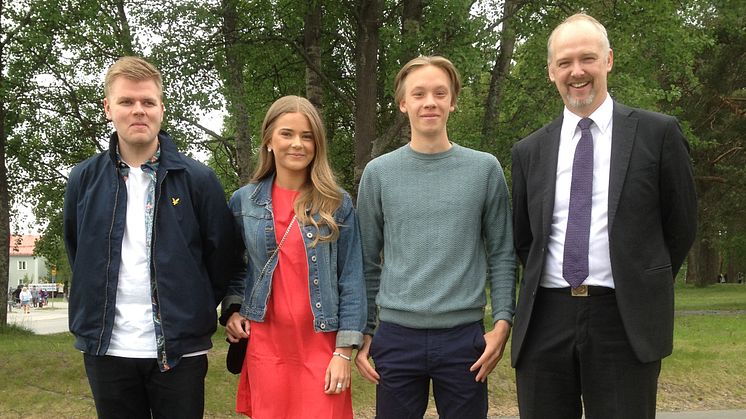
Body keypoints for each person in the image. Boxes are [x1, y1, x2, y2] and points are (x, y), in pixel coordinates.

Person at [510, 13, 697, 419]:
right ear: (551, 72)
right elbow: (525, 238)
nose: (577, 71)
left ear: (608, 60)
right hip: (545, 319)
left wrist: (640, 276)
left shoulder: (657, 133)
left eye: (587, 58)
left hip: (624, 320)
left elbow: (681, 225)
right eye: (565, 62)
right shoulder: (529, 151)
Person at [63, 56, 244, 419]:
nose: (138, 111)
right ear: (108, 109)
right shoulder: (83, 180)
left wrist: (194, 308)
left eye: (147, 102)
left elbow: (222, 258)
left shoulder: (198, 180)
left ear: (161, 108)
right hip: (107, 349)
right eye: (126, 102)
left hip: (180, 351)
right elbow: (76, 250)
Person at [355, 55, 516, 418]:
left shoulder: (484, 169)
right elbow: (364, 260)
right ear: (403, 103)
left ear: (453, 101)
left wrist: (502, 323)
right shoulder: (378, 173)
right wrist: (363, 330)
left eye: (440, 93)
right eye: (419, 93)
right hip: (396, 336)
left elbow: (502, 254)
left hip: (464, 338)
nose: (430, 101)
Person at [222, 95, 366, 418]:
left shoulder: (337, 204)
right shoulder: (244, 202)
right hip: (266, 346)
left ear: (318, 144)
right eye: (287, 134)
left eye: (307, 136)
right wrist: (232, 309)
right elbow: (234, 268)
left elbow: (352, 279)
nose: (297, 144)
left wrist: (343, 352)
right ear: (269, 140)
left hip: (322, 345)